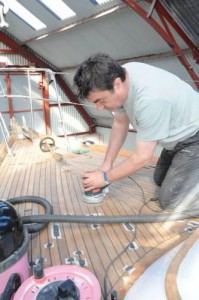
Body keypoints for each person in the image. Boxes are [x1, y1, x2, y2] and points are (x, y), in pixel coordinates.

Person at [73, 53, 199, 211]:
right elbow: (120, 122)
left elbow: (143, 157)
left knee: (172, 201)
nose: (99, 107)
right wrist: (106, 166)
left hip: (194, 137)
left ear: (117, 84)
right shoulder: (123, 74)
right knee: (159, 179)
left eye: (101, 100)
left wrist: (104, 178)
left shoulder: (150, 99)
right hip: (176, 140)